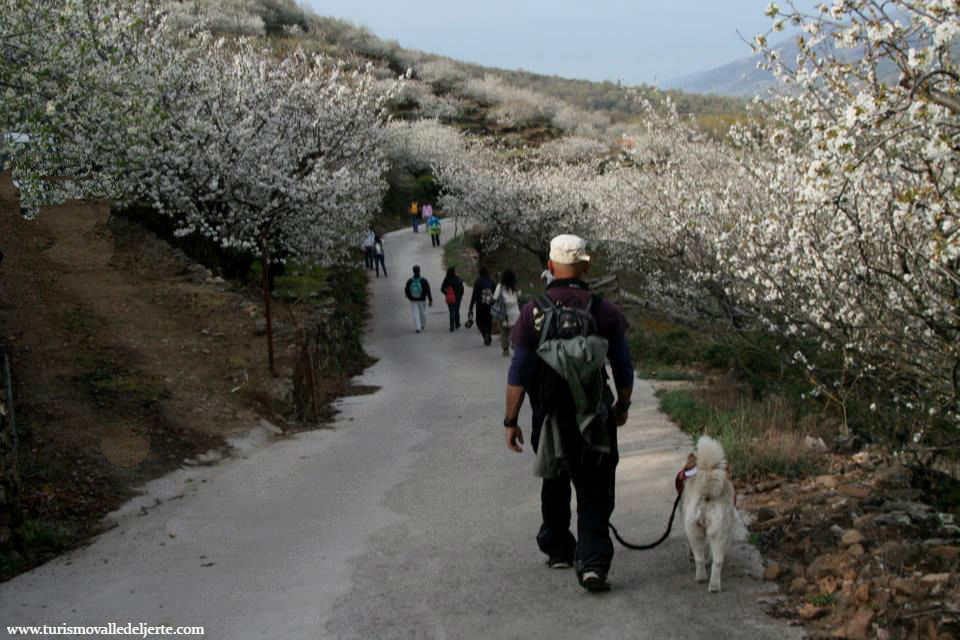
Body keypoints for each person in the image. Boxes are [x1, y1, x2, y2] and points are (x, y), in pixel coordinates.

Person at [502, 234, 634, 594]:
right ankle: (592, 565)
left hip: (549, 414)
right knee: (595, 486)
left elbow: (519, 372)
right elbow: (623, 367)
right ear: (586, 267)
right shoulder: (604, 311)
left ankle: (560, 547)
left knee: (554, 476)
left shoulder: (533, 312)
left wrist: (510, 421)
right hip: (594, 414)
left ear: (550, 266)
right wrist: (622, 406)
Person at [493, 269, 521, 357]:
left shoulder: (500, 286)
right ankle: (514, 345)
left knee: (504, 331)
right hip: (515, 313)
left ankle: (505, 349)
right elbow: (518, 297)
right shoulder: (514, 287)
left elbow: (495, 297)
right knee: (515, 331)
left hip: (503, 313)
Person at [468, 266, 497, 346]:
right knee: (488, 322)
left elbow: (474, 295)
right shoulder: (491, 281)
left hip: (480, 305)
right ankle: (488, 337)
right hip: (490, 305)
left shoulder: (478, 281)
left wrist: (470, 307)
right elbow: (495, 293)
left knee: (479, 321)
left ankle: (485, 334)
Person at [404, 265, 433, 333]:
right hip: (422, 299)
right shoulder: (424, 280)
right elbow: (428, 291)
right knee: (422, 313)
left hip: (413, 300)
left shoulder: (410, 280)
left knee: (415, 313)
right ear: (419, 271)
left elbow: (406, 290)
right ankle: (422, 325)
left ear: (413, 271)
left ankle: (418, 327)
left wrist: (409, 297)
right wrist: (430, 300)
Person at [440, 267, 465, 332]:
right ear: (454, 272)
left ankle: (451, 326)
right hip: (457, 298)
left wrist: (446, 293)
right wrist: (460, 295)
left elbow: (442, 289)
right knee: (457, 311)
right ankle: (457, 324)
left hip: (450, 298)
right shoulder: (458, 279)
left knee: (451, 311)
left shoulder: (446, 279)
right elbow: (462, 288)